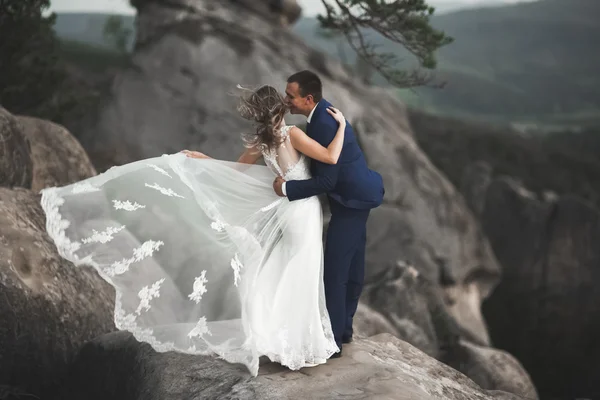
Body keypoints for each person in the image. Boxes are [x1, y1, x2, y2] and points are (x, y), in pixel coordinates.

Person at [40, 84, 346, 377]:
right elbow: (331, 157)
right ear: (280, 109)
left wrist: (205, 161)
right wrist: (342, 127)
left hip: (288, 210)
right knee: (299, 272)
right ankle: (296, 342)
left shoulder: (261, 141)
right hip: (301, 211)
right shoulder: (291, 134)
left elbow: (235, 171)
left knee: (280, 270)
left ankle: (274, 337)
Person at [273, 70, 385, 357]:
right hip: (360, 196)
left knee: (336, 273)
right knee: (353, 266)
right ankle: (344, 330)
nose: (286, 100)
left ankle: (333, 342)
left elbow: (327, 182)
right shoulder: (325, 113)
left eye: (291, 96)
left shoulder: (322, 124)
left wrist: (286, 189)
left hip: (350, 203)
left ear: (308, 99)